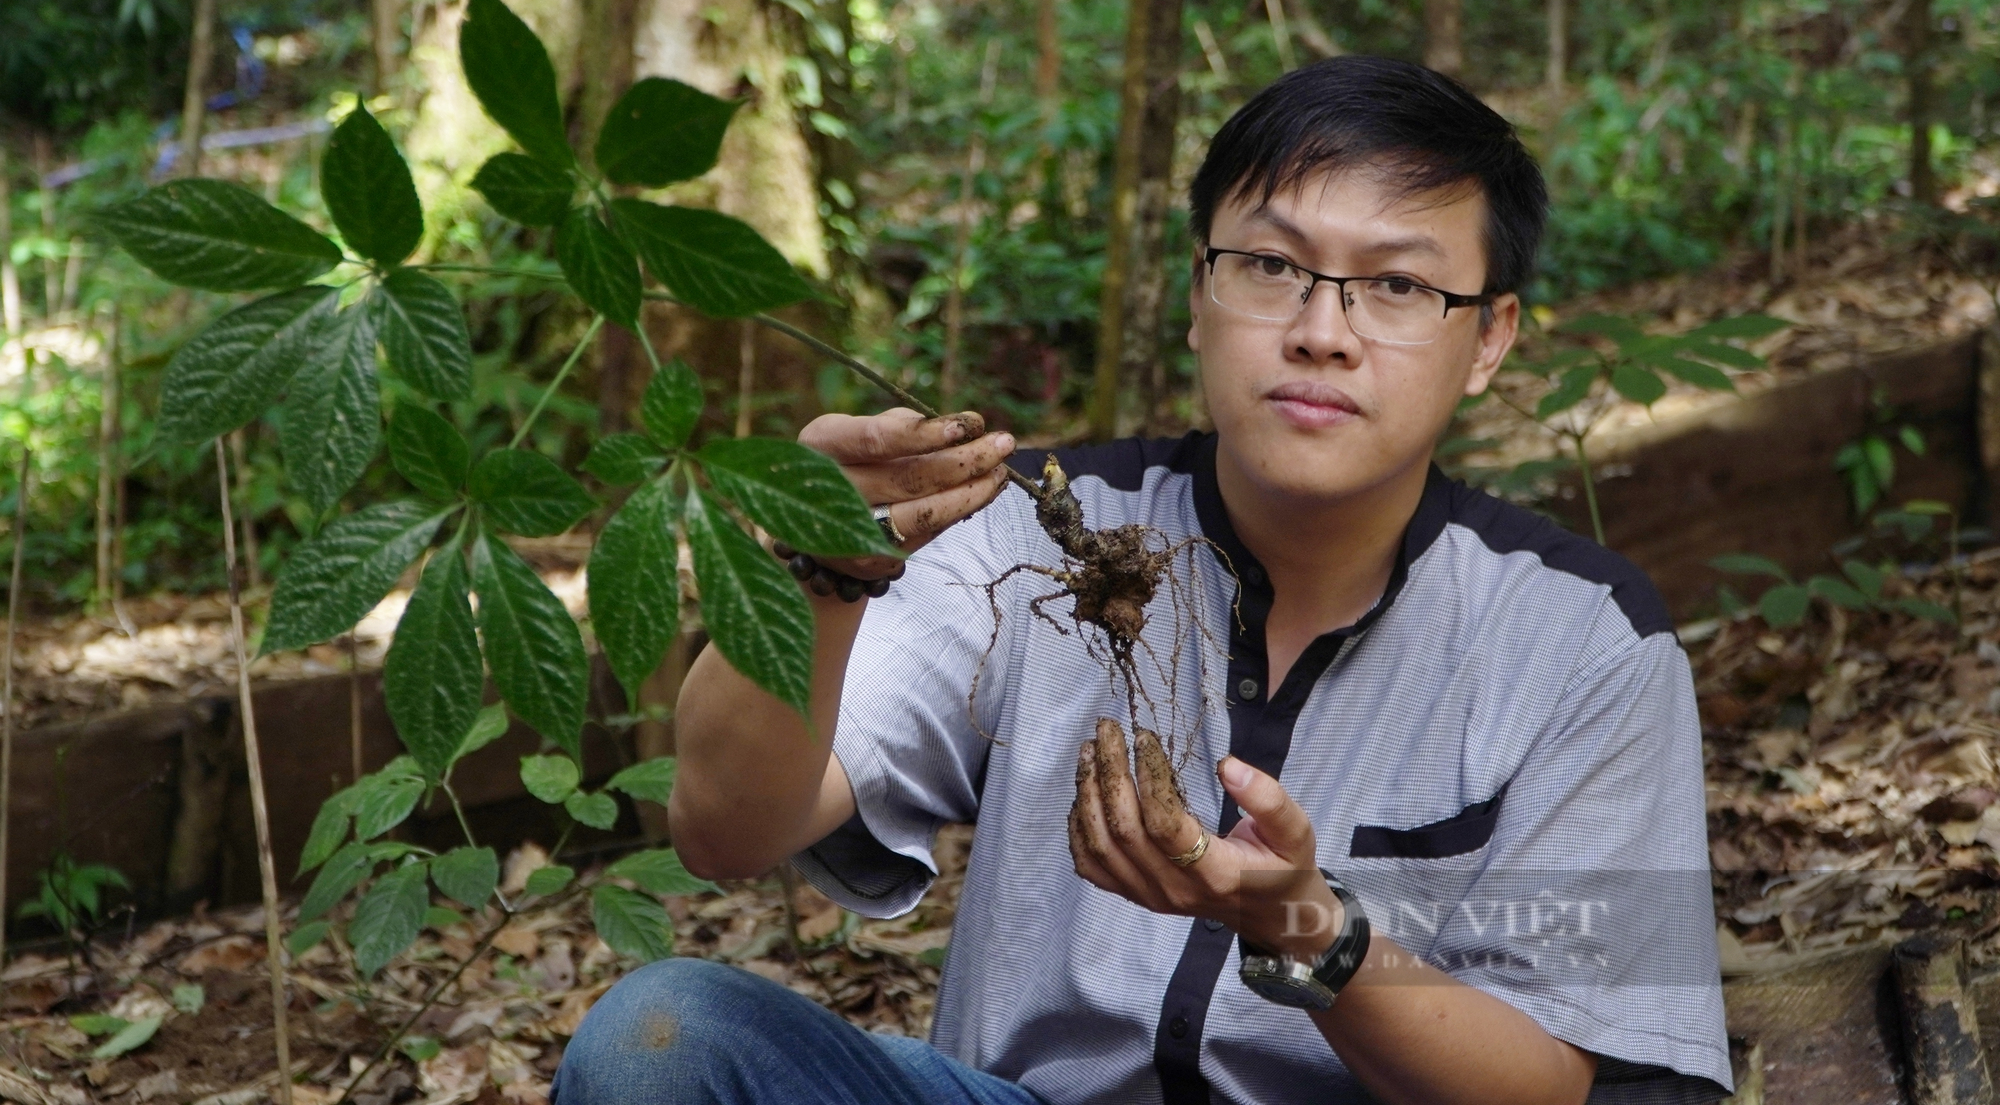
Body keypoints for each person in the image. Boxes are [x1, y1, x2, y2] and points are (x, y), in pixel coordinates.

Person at [551, 55, 1731, 1105]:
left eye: (1395, 286)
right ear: (1196, 297)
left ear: (1489, 337)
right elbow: (722, 827)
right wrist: (812, 566)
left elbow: (1567, 1082)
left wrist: (1302, 929)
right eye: (1269, 264)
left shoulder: (1584, 641)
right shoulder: (1024, 532)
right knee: (664, 1041)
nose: (1321, 329)